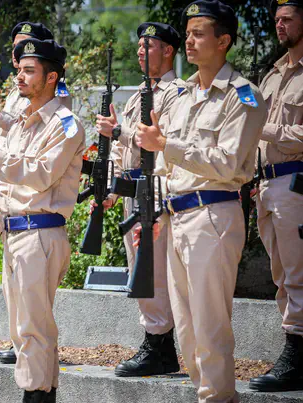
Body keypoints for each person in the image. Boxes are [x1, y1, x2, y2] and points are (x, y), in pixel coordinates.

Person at [135, 1, 267, 403]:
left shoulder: (243, 96)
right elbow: (161, 161)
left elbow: (229, 162)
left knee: (210, 325)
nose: (189, 41)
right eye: (187, 33)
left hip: (213, 213)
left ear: (224, 41)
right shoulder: (181, 94)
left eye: (199, 34)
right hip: (176, 215)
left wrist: (166, 146)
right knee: (188, 332)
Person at [0, 38, 85, 403]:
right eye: (20, 69)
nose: (20, 75)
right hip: (17, 233)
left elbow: (40, 174)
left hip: (41, 234)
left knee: (34, 328)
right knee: (23, 329)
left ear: (52, 77)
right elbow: (7, 189)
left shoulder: (66, 125)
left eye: (30, 70)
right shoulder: (20, 124)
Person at [94, 22, 184, 378]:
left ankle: (159, 344)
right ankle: (155, 340)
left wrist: (120, 130)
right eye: (139, 46)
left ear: (168, 51)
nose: (140, 52)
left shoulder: (177, 94)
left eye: (149, 46)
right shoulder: (135, 96)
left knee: (155, 271)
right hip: (133, 191)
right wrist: (112, 190)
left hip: (157, 191)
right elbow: (123, 149)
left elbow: (163, 143)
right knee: (139, 270)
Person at [0, 22, 56, 365]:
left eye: (28, 50)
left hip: (38, 220)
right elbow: (6, 167)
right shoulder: (18, 95)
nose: (19, 60)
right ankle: (33, 401)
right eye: (17, 49)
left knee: (34, 323)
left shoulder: (57, 108)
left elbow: (37, 170)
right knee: (18, 314)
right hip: (13, 218)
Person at [249, 0, 303, 393]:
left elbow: (268, 130)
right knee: (281, 275)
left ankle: (296, 356)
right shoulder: (273, 74)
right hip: (267, 185)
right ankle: (295, 348)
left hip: (296, 182)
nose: (279, 25)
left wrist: (265, 131)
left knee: (299, 274)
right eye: (276, 20)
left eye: (287, 19)